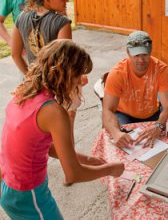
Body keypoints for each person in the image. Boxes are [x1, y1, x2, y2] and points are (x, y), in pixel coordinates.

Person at [0, 40, 125, 219]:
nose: (83, 81)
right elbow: (73, 174)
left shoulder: (26, 91)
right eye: (80, 75)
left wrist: (87, 158)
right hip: (28, 193)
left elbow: (45, 147)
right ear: (65, 74)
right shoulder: (53, 111)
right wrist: (110, 169)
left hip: (9, 185)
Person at [102, 30, 168, 148]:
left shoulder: (162, 70)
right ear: (128, 52)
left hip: (152, 113)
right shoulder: (117, 73)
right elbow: (107, 110)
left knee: (164, 140)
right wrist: (116, 133)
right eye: (136, 55)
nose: (141, 60)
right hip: (123, 114)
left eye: (145, 54)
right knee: (121, 143)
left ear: (150, 51)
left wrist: (159, 126)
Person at [11, 0, 71, 75]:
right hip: (55, 83)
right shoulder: (62, 23)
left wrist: (29, 78)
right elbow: (65, 60)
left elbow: (15, 54)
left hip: (33, 82)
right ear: (47, 0)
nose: (67, 0)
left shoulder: (21, 17)